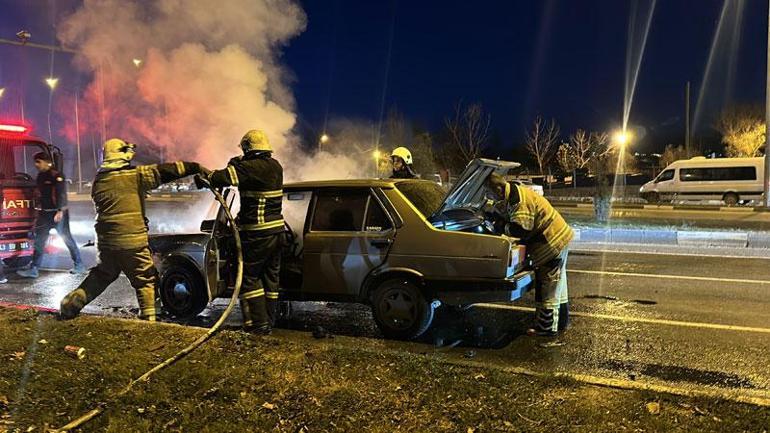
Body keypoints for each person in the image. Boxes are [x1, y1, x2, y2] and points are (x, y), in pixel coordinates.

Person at [59, 139, 208, 322]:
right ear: (121, 154)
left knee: (102, 275)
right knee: (146, 278)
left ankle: (71, 304)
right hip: (131, 241)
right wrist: (194, 167)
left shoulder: (100, 180)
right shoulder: (134, 176)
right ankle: (149, 318)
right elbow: (167, 171)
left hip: (106, 243)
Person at [206, 129, 285, 335]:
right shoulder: (276, 166)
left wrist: (229, 165)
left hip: (257, 234)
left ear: (249, 149)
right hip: (277, 232)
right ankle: (269, 321)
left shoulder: (249, 168)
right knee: (271, 279)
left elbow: (219, 178)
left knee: (249, 278)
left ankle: (257, 326)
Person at [485, 173, 573, 337]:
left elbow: (521, 230)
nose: (490, 198)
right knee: (558, 284)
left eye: (490, 193)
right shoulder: (515, 193)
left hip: (550, 242)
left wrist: (500, 226)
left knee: (547, 285)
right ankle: (561, 321)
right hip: (559, 236)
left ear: (499, 189)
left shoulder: (518, 201)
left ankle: (546, 328)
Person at [17, 152, 83, 278]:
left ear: (47, 162)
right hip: (44, 214)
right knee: (39, 241)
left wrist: (60, 210)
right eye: (35, 162)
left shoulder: (56, 176)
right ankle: (34, 268)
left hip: (57, 213)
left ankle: (79, 265)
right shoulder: (41, 176)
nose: (36, 165)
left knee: (67, 239)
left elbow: (61, 194)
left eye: (38, 162)